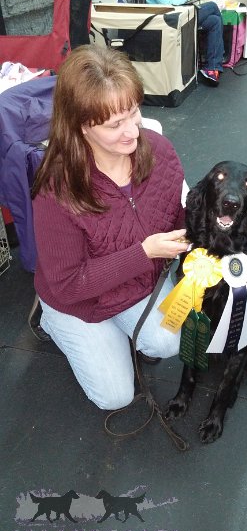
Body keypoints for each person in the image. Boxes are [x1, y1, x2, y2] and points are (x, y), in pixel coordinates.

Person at [30, 44, 190, 411]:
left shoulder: (160, 151)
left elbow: (179, 216)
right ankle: (50, 320)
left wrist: (220, 230)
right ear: (81, 127)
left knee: (169, 341)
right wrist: (144, 253)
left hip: (138, 285)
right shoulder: (57, 189)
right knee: (114, 397)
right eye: (115, 124)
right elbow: (69, 283)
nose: (132, 131)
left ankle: (127, 334)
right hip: (78, 299)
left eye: (133, 112)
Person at [144, 0, 225, 85]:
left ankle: (212, 68)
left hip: (177, 15)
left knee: (214, 21)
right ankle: (218, 57)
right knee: (212, 6)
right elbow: (171, 5)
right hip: (170, 22)